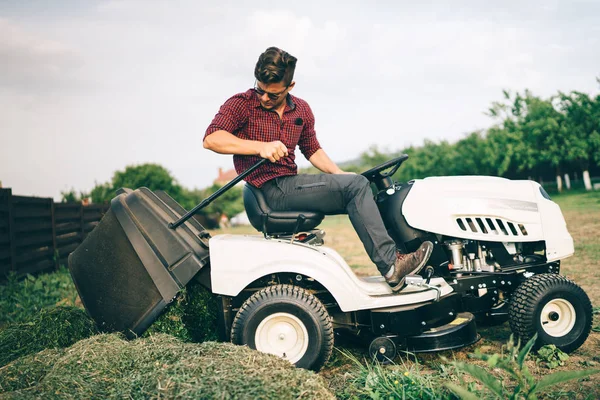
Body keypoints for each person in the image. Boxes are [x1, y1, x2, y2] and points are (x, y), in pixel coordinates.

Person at [203, 46, 432, 291]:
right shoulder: (242, 104)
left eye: (273, 94)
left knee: (357, 185)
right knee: (355, 187)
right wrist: (259, 147)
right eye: (260, 90)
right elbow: (211, 139)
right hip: (270, 190)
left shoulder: (301, 110)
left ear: (290, 87)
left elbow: (312, 149)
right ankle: (391, 266)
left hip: (290, 185)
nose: (264, 98)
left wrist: (342, 176)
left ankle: (404, 255)